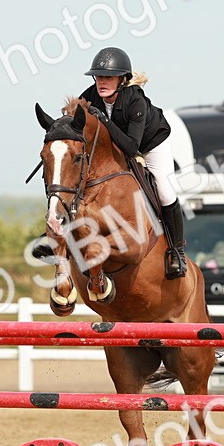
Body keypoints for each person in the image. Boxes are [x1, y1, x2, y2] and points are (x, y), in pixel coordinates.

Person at [78, 47, 188, 279]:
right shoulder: (90, 96)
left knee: (165, 191)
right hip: (117, 146)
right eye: (98, 77)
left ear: (122, 80)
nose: (102, 82)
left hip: (150, 145)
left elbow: (131, 147)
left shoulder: (135, 100)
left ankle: (176, 252)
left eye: (108, 77)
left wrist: (104, 121)